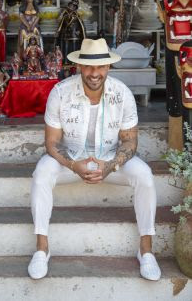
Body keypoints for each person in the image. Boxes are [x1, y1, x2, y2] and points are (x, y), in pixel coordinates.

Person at [28, 38, 161, 282]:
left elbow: (130, 142)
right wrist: (73, 165)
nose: (94, 73)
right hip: (72, 159)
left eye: (100, 67)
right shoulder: (60, 93)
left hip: (110, 159)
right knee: (41, 174)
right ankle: (41, 248)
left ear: (108, 67)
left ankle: (146, 250)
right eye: (88, 67)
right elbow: (52, 142)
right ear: (79, 67)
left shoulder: (122, 94)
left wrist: (110, 166)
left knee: (145, 176)